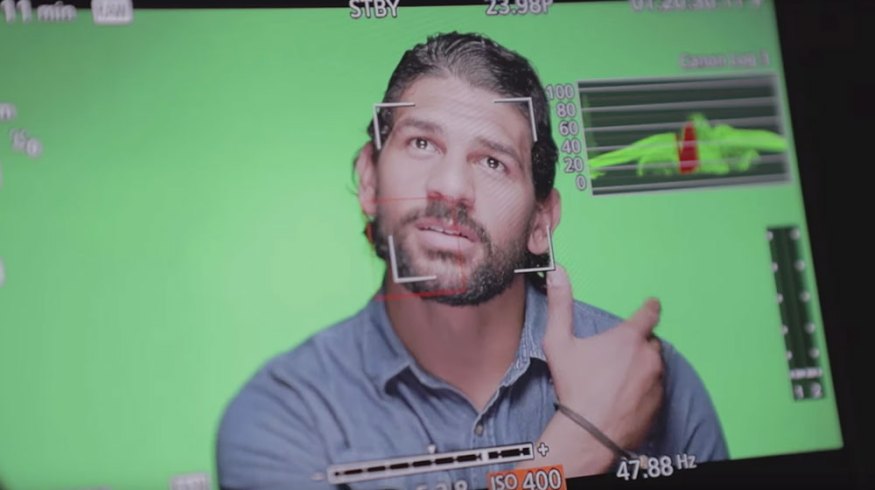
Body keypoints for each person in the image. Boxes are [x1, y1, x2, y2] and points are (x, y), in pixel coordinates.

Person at [217, 32, 727, 490]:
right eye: (421, 143)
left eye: (492, 162)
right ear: (369, 179)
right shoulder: (282, 415)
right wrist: (582, 443)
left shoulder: (652, 378)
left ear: (540, 222)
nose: (452, 186)